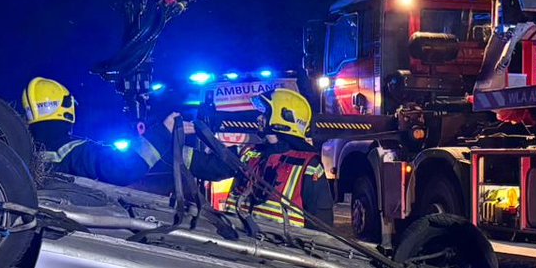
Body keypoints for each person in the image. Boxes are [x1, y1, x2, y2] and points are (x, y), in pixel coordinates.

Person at [165, 86, 333, 228]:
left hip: (283, 257)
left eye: (266, 112)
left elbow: (321, 225)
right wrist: (168, 143)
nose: (259, 117)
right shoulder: (249, 154)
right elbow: (206, 166)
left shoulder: (309, 165)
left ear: (283, 117)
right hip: (241, 247)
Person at [21, 75, 158, 184]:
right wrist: (162, 134)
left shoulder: (23, 153)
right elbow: (124, 170)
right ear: (66, 107)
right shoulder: (76, 153)